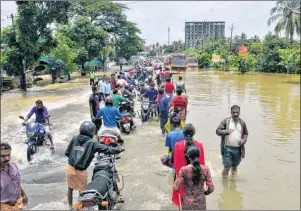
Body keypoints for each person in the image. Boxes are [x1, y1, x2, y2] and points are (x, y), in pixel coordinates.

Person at [65, 121, 124, 209]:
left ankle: (70, 207)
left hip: (70, 168)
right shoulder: (92, 143)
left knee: (70, 188)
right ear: (92, 132)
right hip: (81, 171)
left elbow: (67, 153)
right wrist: (119, 149)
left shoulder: (74, 138)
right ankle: (79, 209)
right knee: (83, 193)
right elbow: (107, 149)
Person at [171, 123, 206, 208]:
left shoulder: (177, 145)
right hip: (196, 178)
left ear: (183, 133)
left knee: (181, 202)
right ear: (194, 133)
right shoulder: (199, 146)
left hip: (181, 179)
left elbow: (172, 161)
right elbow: (202, 164)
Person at [216, 105, 248, 177]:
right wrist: (226, 131)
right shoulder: (226, 121)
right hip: (227, 148)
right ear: (230, 112)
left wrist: (243, 140)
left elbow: (246, 133)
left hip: (238, 149)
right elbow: (217, 131)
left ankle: (233, 184)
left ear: (240, 112)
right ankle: (224, 184)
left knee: (235, 166)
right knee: (227, 167)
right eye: (234, 112)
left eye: (237, 112)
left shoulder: (242, 123)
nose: (235, 114)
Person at [1, 142, 28, 210]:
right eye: (3, 156)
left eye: (8, 155)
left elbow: (16, 183)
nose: (7, 158)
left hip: (18, 206)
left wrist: (23, 195)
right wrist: (8, 208)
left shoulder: (14, 166)